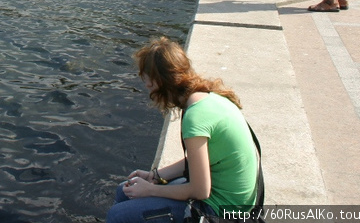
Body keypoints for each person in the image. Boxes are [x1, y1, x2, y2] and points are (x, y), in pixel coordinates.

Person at [106, 38, 259, 223]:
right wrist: (155, 176)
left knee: (117, 216)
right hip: (231, 195)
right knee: (124, 190)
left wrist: (151, 189)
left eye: (146, 78)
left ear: (157, 82)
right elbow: (203, 160)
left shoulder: (195, 118)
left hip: (224, 211)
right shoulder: (208, 98)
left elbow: (200, 190)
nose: (145, 85)